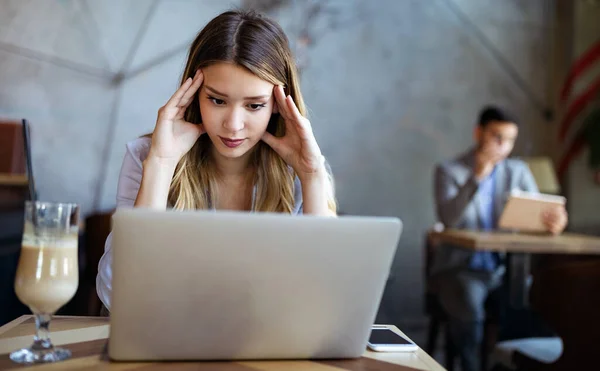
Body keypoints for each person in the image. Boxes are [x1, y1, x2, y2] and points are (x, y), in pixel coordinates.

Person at [96, 10, 337, 311]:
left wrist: (312, 175)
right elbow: (118, 295)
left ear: (279, 104)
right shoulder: (148, 156)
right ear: (193, 93)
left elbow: (326, 300)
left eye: (254, 105)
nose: (233, 125)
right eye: (217, 100)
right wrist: (160, 164)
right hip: (171, 344)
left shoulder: (301, 172)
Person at [430, 106, 568, 371]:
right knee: (470, 309)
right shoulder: (449, 170)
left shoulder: (518, 171)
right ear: (479, 133)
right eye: (496, 136)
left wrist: (553, 223)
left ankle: (510, 363)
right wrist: (477, 177)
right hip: (461, 267)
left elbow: (537, 213)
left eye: (510, 139)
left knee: (538, 298)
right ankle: (471, 365)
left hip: (506, 268)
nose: (503, 145)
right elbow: (449, 219)